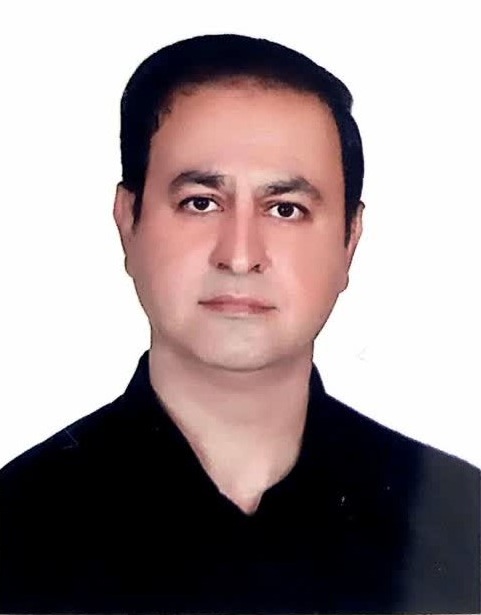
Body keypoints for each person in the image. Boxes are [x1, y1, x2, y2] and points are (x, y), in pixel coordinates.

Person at [0, 33, 479, 615]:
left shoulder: (461, 522)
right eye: (201, 202)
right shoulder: (14, 530)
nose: (240, 255)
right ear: (128, 222)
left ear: (350, 240)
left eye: (285, 209)